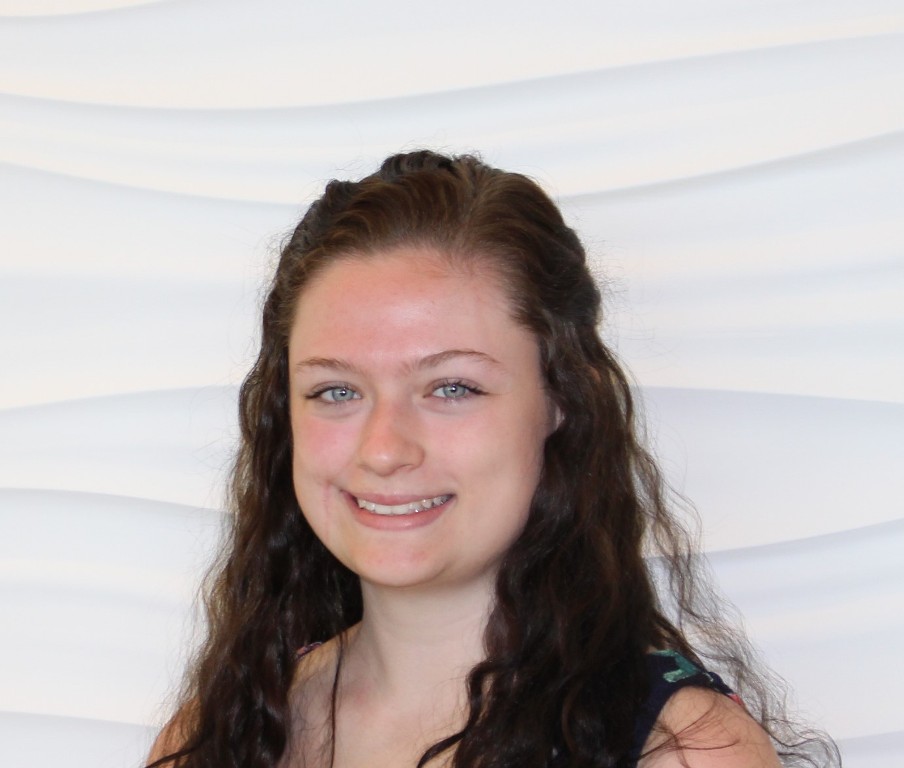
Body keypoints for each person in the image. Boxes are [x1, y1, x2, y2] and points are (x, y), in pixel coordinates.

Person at [146, 150, 837, 768]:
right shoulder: (211, 736)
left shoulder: (685, 753)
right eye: (336, 391)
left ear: (563, 399)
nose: (383, 449)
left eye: (452, 387)